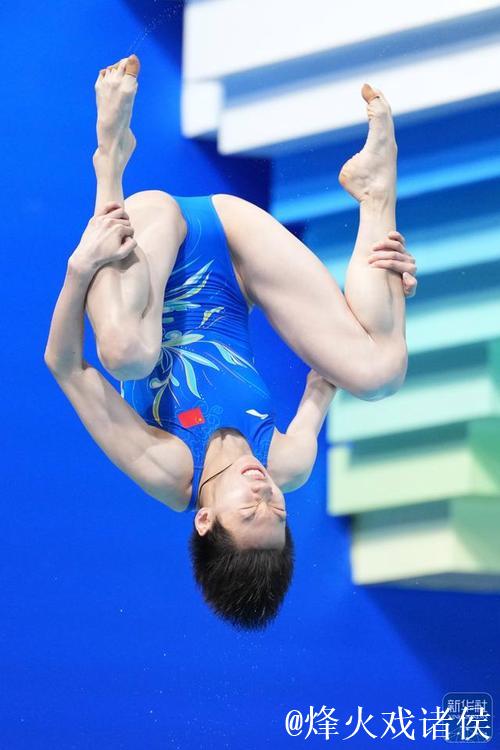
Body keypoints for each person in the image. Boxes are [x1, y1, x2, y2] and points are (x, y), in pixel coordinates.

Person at [44, 55, 417, 630]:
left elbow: (66, 365)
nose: (265, 493)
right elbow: (336, 366)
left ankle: (109, 161)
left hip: (149, 235)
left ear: (205, 521)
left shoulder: (169, 469)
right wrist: (391, 288)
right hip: (236, 244)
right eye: (278, 512)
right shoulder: (288, 461)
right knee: (380, 374)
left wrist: (79, 268)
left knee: (126, 354)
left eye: (249, 511)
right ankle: (375, 191)